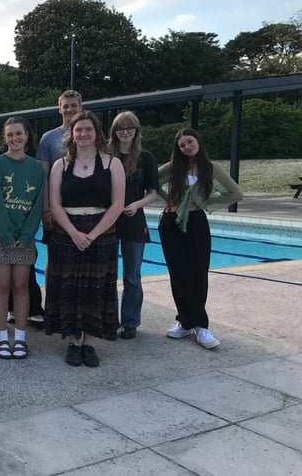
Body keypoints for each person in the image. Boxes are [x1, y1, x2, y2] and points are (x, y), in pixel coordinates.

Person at [45, 110, 125, 367]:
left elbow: (117, 204)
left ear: (96, 133)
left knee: (96, 287)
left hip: (100, 232)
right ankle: (72, 340)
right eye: (78, 130)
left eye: (88, 129)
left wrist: (92, 234)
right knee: (69, 288)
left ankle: (89, 342)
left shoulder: (113, 163)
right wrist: (73, 232)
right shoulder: (61, 164)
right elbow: (55, 204)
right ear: (72, 134)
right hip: (67, 231)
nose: (83, 134)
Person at [158, 127, 243, 349]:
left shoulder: (211, 168)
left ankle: (201, 326)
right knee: (178, 274)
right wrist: (166, 197)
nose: (187, 146)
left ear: (198, 140)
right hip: (170, 222)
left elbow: (236, 193)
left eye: (189, 141)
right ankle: (184, 322)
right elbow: (151, 180)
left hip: (196, 222)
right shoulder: (173, 167)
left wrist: (207, 203)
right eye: (182, 144)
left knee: (198, 272)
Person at [0, 117, 45, 359]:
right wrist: (8, 235)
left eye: (18, 134)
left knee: (21, 287)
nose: (15, 139)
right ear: (5, 138)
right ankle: (1, 337)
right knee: (2, 287)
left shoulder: (36, 168)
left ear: (26, 136)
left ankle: (20, 337)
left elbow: (38, 203)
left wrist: (27, 234)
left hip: (25, 237)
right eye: (10, 135)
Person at [107, 111, 158, 339]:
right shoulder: (106, 155)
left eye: (129, 128)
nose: (125, 132)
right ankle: (108, 319)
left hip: (134, 219)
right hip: (108, 220)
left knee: (132, 276)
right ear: (114, 131)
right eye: (120, 128)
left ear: (136, 130)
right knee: (106, 274)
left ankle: (129, 322)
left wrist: (137, 204)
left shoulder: (146, 158)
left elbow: (153, 193)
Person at [37, 90, 84, 314]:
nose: (69, 109)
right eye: (66, 106)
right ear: (59, 108)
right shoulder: (49, 138)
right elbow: (43, 178)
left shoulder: (90, 134)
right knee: (54, 260)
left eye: (73, 105)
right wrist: (46, 210)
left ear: (80, 107)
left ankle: (76, 307)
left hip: (83, 209)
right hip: (57, 209)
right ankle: (52, 306)